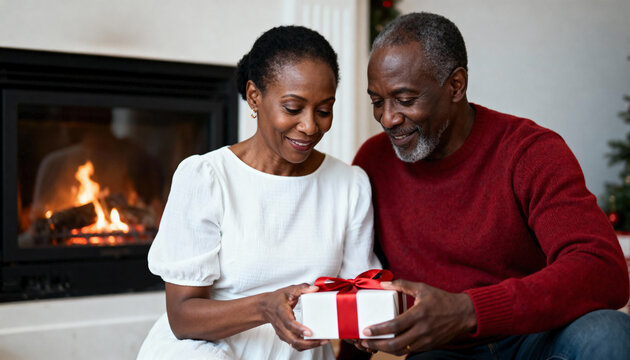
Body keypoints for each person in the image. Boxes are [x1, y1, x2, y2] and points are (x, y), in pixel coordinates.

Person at [346, 12, 630, 360]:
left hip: (536, 337)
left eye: (405, 100)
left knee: (608, 334)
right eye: (377, 101)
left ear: (456, 85)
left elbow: (603, 270)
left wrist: (468, 310)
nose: (388, 118)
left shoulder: (530, 151)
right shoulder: (372, 162)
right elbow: (359, 274)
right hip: (443, 352)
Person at [137, 25, 380, 360]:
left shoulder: (349, 185)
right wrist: (265, 307)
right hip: (208, 352)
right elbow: (182, 317)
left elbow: (358, 299)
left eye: (324, 110)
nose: (310, 126)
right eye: (293, 108)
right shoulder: (207, 178)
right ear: (254, 96)